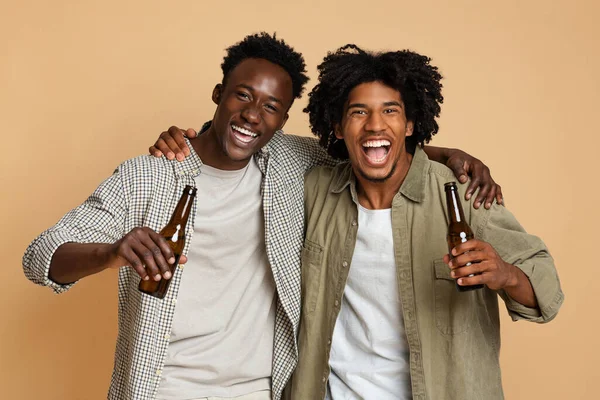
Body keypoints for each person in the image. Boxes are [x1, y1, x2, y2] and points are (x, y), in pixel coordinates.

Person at [24, 33, 501, 400]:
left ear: (283, 120)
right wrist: (111, 252)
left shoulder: (291, 165)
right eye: (243, 96)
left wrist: (444, 154)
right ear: (218, 93)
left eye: (272, 107)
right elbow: (40, 256)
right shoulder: (147, 176)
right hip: (162, 387)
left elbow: (367, 149)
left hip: (259, 390)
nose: (254, 115)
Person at [282, 45, 564, 400]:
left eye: (390, 111)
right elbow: (252, 141)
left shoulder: (462, 193)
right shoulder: (315, 190)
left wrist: (504, 273)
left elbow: (547, 289)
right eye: (358, 112)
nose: (374, 124)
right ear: (337, 127)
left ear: (411, 123)